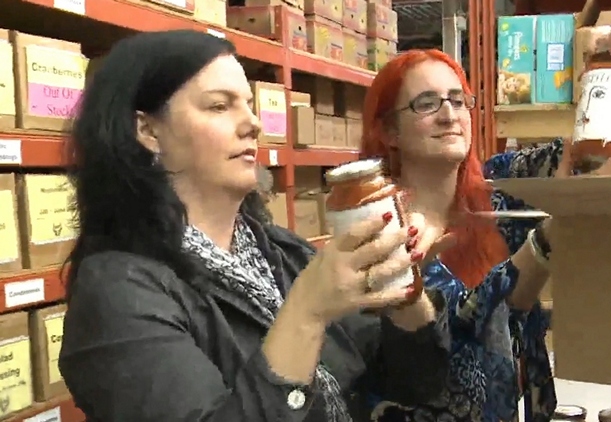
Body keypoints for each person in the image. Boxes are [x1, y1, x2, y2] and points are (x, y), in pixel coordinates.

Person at [59, 30, 451, 422]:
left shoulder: (282, 254)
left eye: (249, 105)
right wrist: (307, 313)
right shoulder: (116, 292)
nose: (253, 124)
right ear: (147, 131)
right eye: (218, 106)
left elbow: (413, 384)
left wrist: (403, 282)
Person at [359, 18, 611, 422]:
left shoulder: (499, 191)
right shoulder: (381, 230)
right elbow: (463, 323)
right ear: (390, 131)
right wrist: (552, 233)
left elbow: (589, 164)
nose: (449, 114)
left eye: (458, 100)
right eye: (426, 103)